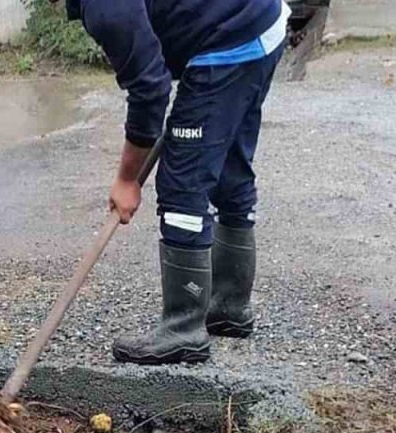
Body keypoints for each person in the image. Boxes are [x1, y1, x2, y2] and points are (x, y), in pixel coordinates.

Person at [66, 0, 290, 364]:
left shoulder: (107, 7)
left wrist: (127, 179)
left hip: (231, 36)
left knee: (183, 183)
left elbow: (150, 89)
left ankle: (184, 328)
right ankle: (229, 307)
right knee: (229, 169)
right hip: (261, 19)